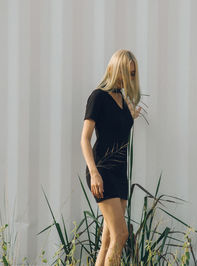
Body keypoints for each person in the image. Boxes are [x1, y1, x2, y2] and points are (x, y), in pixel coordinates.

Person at [80, 49, 142, 265]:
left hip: (119, 173)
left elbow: (117, 128)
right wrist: (94, 172)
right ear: (115, 70)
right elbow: (85, 139)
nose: (130, 78)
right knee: (121, 235)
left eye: (133, 74)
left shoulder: (122, 100)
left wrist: (130, 115)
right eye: (127, 73)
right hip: (102, 170)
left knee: (107, 240)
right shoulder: (98, 97)